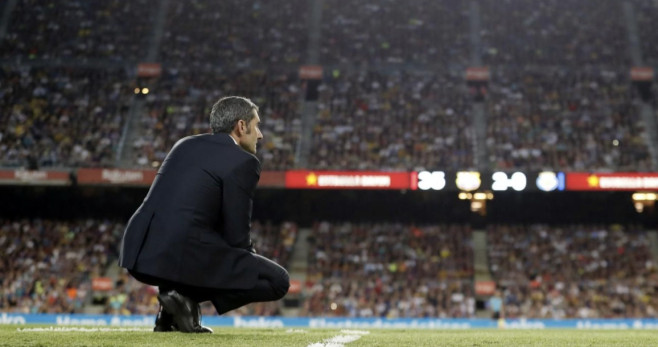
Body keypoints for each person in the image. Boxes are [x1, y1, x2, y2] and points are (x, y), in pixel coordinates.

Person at [118, 96, 290, 333]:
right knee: (278, 281)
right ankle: (183, 298)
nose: (259, 134)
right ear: (241, 126)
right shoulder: (243, 161)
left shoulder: (184, 144)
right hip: (184, 252)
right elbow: (236, 233)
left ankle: (171, 308)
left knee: (216, 254)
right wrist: (245, 263)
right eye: (257, 125)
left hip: (141, 252)